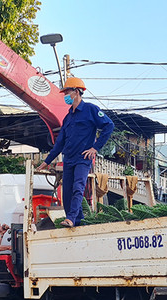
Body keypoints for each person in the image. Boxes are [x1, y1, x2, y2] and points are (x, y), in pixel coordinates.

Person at [36, 76, 114, 227]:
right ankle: (78, 222)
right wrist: (46, 161)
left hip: (83, 158)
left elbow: (108, 126)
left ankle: (71, 218)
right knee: (67, 195)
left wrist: (95, 148)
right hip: (68, 159)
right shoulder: (67, 118)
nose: (65, 96)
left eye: (67, 92)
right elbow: (59, 143)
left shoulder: (90, 109)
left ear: (77, 92)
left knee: (78, 188)